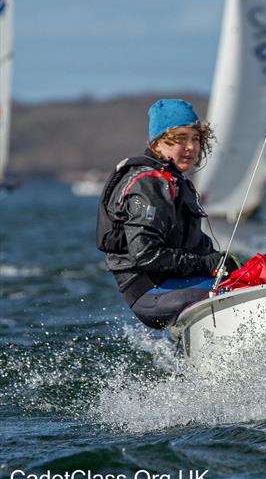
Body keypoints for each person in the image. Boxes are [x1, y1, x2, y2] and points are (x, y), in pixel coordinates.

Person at [97, 98, 237, 329]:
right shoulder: (148, 185)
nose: (191, 147)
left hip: (177, 283)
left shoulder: (174, 182)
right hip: (151, 292)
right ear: (157, 143)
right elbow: (146, 255)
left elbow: (195, 247)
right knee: (235, 292)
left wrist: (224, 261)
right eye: (180, 139)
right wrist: (205, 264)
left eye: (195, 138)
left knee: (250, 279)